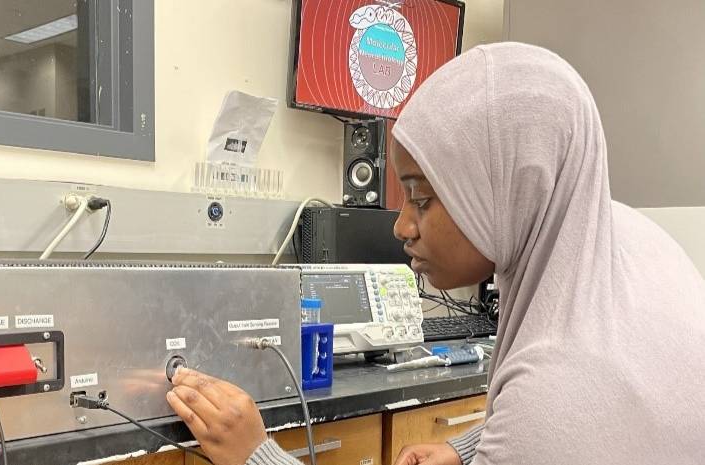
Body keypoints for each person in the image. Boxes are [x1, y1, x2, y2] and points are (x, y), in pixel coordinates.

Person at [165, 42, 705, 465]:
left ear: (510, 189)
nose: (402, 226)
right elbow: (585, 424)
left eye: (422, 198)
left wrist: (254, 454)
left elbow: (555, 422)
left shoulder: (555, 391)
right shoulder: (635, 238)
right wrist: (471, 449)